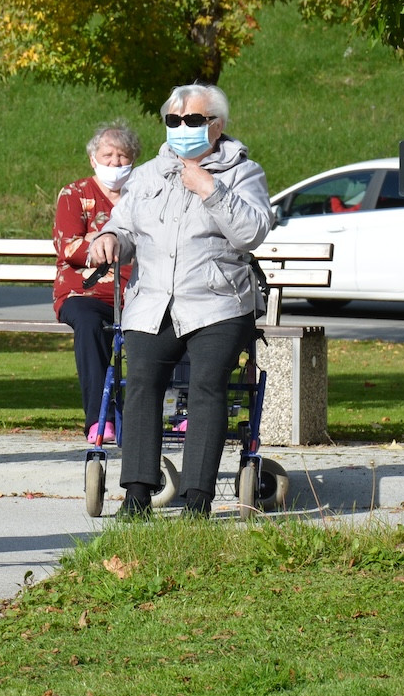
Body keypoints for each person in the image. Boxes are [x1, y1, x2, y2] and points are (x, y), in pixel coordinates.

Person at [94, 84, 271, 516]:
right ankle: (137, 495)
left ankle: (198, 500)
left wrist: (211, 189)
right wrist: (110, 237)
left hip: (217, 303)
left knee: (208, 387)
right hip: (154, 302)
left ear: (217, 125)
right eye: (174, 120)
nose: (181, 128)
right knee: (139, 385)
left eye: (193, 120)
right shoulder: (149, 173)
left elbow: (253, 232)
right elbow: (127, 226)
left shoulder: (242, 173)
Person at [53, 121, 139, 445]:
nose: (116, 163)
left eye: (123, 156)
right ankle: (98, 420)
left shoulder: (143, 197)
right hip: (83, 291)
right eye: (108, 155)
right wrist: (103, 244)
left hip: (135, 292)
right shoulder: (74, 194)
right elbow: (67, 246)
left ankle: (165, 414)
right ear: (93, 159)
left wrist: (95, 238)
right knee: (89, 325)